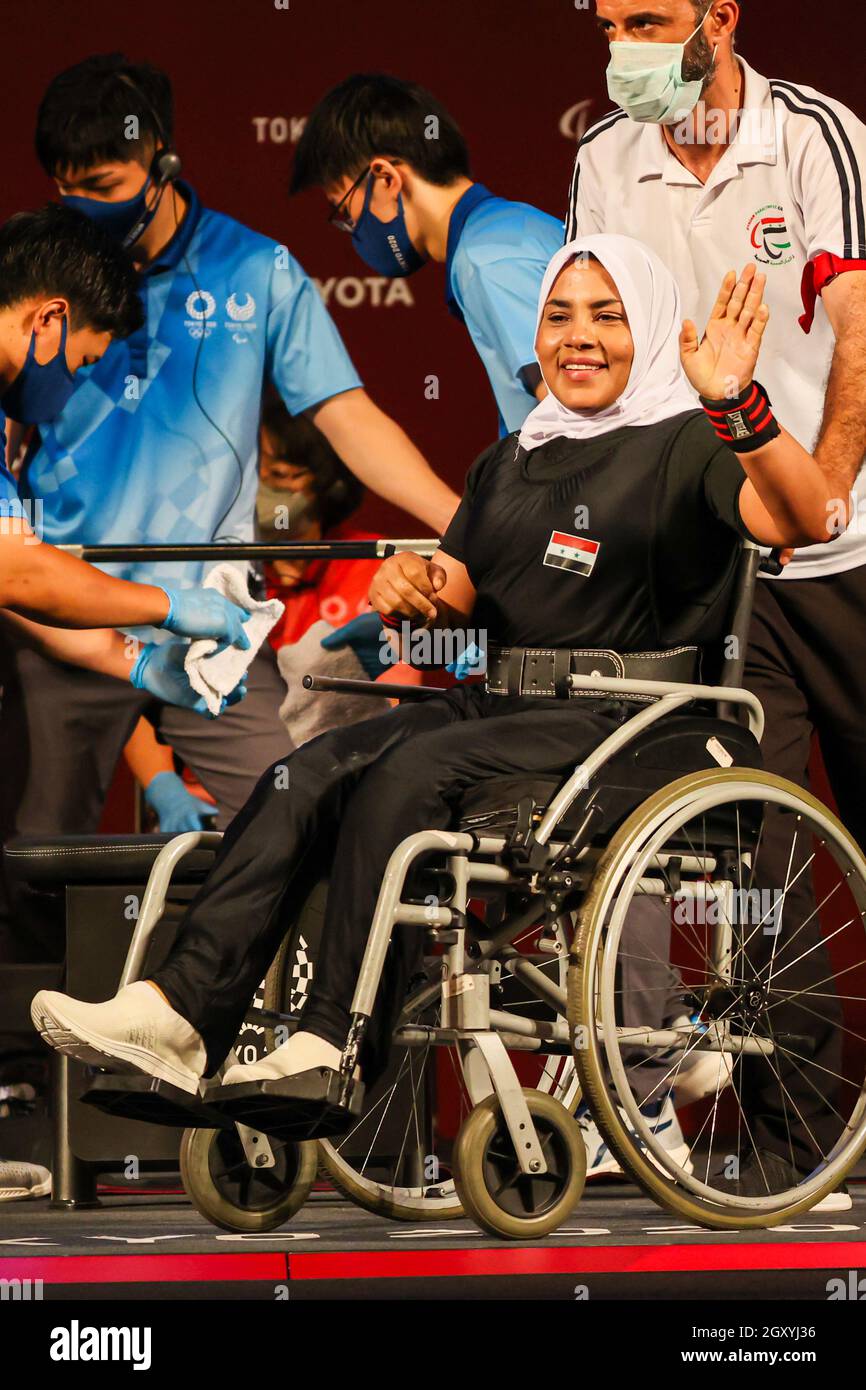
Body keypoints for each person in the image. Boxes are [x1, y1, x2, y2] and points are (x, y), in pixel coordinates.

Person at [31, 238, 843, 1175]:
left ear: (653, 327)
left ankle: (331, 1039)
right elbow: (459, 586)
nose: (577, 338)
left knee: (411, 771)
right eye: (560, 316)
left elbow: (802, 517)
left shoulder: (690, 440)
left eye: (607, 316)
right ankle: (177, 1014)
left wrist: (739, 404)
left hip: (640, 724)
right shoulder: (514, 457)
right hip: (505, 712)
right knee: (307, 769)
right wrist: (410, 584)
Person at [0, 52, 458, 867]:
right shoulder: (37, 278)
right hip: (58, 611)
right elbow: (15, 569)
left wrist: (462, 522)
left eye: (104, 186)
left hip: (204, 624)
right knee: (39, 867)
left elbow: (345, 417)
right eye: (68, 190)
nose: (83, 208)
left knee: (284, 832)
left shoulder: (257, 271)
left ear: (162, 160)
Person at [565, 0, 866, 1203]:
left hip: (846, 543)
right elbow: (616, 358)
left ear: (717, 18)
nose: (618, 46)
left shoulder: (812, 137)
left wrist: (826, 488)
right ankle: (794, 1152)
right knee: (764, 865)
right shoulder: (600, 155)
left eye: (642, 19)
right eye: (604, 24)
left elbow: (857, 325)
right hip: (722, 562)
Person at [291, 73, 565, 437]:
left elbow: (577, 419)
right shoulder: (512, 227)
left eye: (344, 208)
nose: (351, 225)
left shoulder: (488, 260)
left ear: (385, 178)